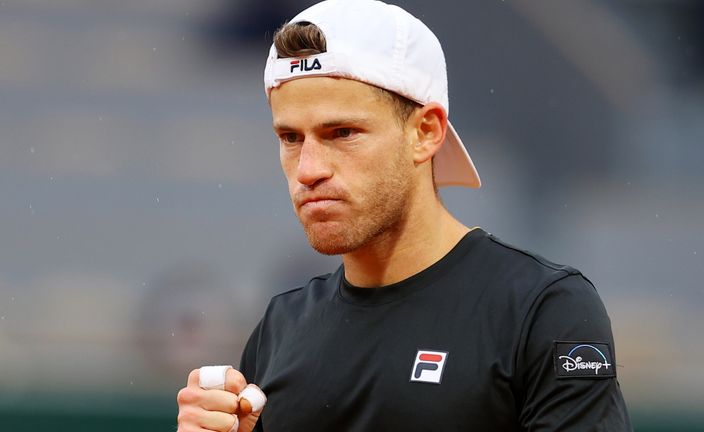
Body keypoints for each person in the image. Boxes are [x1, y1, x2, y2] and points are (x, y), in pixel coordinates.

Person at [177, 0, 632, 430]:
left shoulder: (542, 309)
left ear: (426, 132)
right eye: (291, 138)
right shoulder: (282, 325)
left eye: (342, 133)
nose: (309, 170)